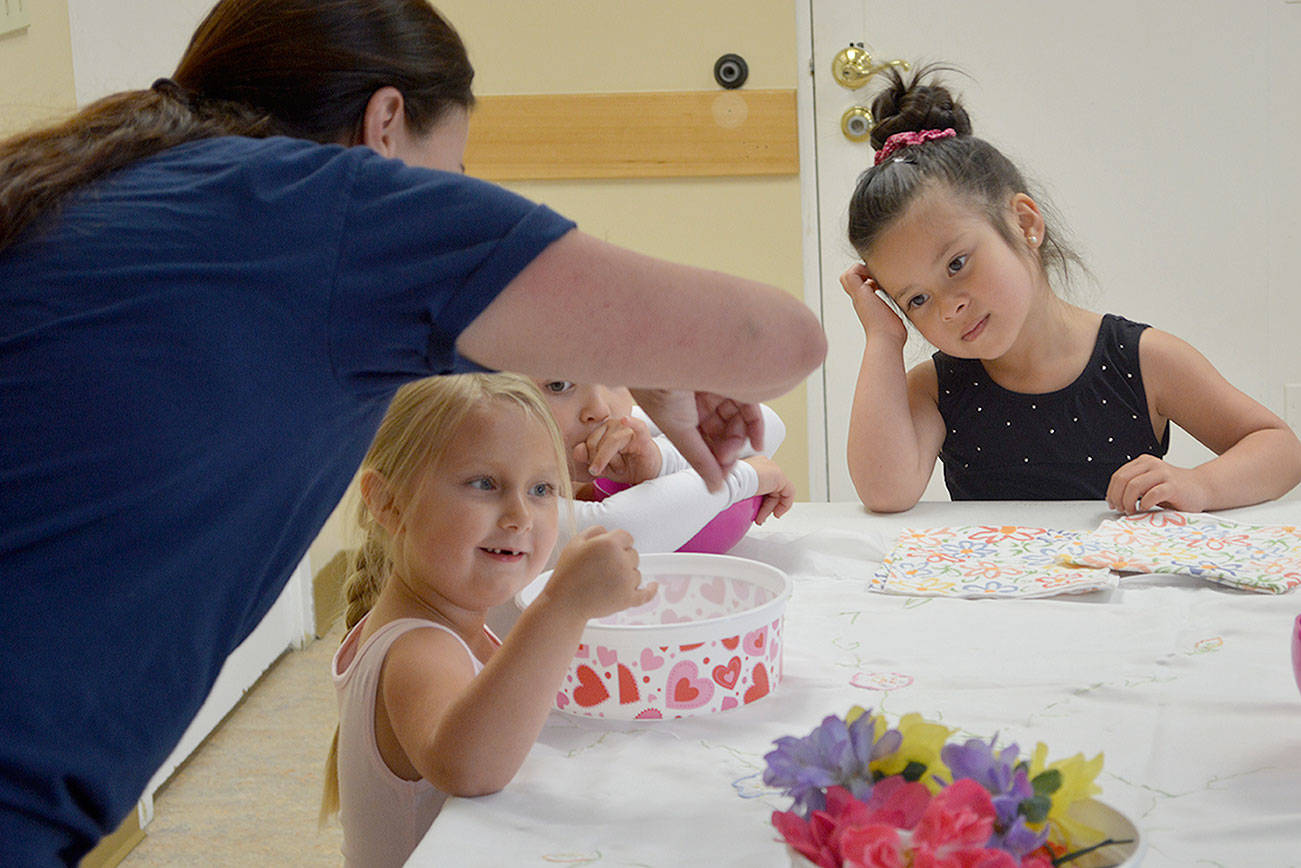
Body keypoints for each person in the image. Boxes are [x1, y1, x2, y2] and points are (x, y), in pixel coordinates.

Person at [0, 0, 825, 861]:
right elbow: (783, 344)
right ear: (386, 126)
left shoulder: (107, 186)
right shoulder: (339, 206)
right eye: (454, 171)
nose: (451, 198)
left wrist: (637, 361)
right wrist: (626, 346)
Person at [839, 66, 1301, 514]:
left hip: (1127, 591)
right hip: (999, 593)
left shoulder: (1143, 361)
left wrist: (1200, 483)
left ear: (1024, 223)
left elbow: (1280, 449)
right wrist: (883, 339)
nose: (949, 306)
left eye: (957, 264)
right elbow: (885, 492)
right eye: (915, 299)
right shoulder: (937, 387)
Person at [318, 373, 653, 867]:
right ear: (389, 502)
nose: (520, 515)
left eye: (542, 488)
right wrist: (561, 606)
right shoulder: (419, 647)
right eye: (484, 484)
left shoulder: (451, 620)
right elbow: (469, 767)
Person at [532, 379, 796, 557]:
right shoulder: (499, 475)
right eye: (559, 385)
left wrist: (659, 460)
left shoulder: (613, 422)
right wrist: (744, 479)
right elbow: (611, 535)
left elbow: (763, 423)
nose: (600, 409)